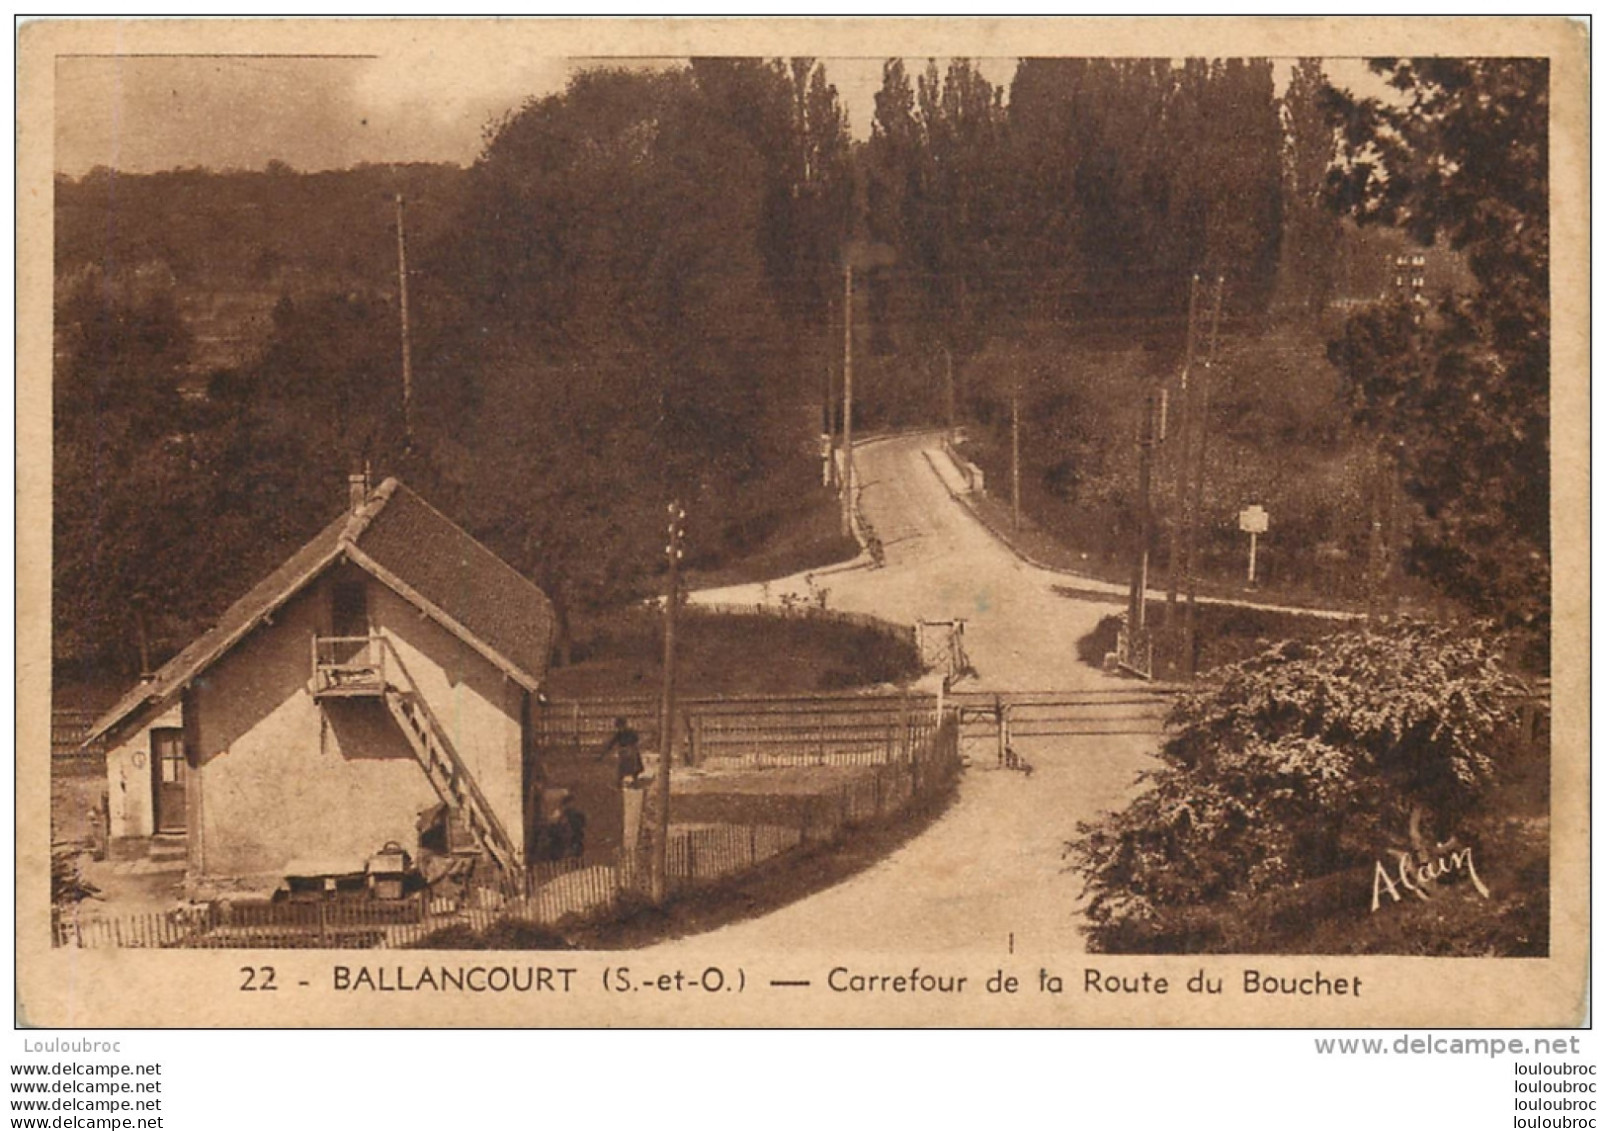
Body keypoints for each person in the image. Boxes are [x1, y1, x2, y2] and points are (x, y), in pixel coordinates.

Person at [599, 717, 644, 788]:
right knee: (621, 771)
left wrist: (631, 748)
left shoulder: (631, 732)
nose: (620, 729)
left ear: (624, 725)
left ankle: (635, 783)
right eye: (619, 727)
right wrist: (602, 755)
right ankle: (619, 784)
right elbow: (611, 744)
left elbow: (637, 741)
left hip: (631, 752)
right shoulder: (619, 734)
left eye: (621, 726)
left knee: (634, 769)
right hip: (624, 753)